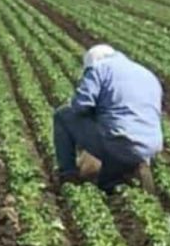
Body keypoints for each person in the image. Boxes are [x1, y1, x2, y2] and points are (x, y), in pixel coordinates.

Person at [53, 44, 162, 193]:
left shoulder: (99, 68)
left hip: (118, 141)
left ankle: (68, 175)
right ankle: (134, 165)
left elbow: (80, 105)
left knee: (63, 115)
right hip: (150, 147)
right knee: (109, 176)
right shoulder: (147, 74)